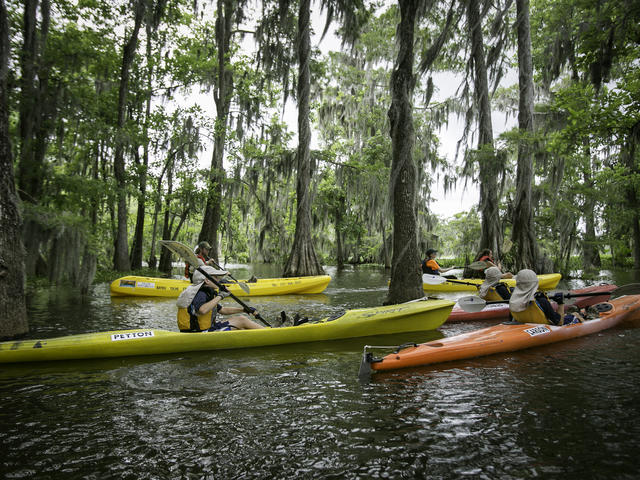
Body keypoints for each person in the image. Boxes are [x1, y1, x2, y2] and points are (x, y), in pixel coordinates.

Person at [176, 265, 264, 332]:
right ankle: (268, 332)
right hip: (200, 333)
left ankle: (263, 333)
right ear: (207, 280)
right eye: (216, 277)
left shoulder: (206, 292)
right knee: (242, 320)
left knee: (240, 325)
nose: (218, 280)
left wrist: (243, 310)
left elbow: (222, 310)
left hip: (204, 330)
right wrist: (220, 296)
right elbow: (202, 310)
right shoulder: (200, 294)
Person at [509, 269, 583, 325]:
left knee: (566, 314)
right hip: (546, 326)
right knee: (575, 315)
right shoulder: (540, 300)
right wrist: (560, 303)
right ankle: (581, 316)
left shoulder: (513, 300)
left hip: (526, 324)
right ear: (535, 284)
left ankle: (577, 312)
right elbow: (559, 322)